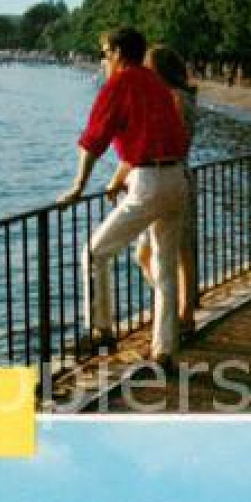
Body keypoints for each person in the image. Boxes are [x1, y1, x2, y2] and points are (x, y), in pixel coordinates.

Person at [59, 26, 191, 367]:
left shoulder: (120, 83)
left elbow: (94, 139)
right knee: (163, 269)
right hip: (177, 179)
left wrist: (78, 186)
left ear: (118, 52)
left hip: (148, 182)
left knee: (95, 251)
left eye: (105, 52)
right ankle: (164, 350)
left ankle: (101, 330)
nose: (104, 60)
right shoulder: (157, 84)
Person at [125, 44, 200, 337]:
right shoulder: (177, 97)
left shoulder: (176, 99)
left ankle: (184, 313)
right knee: (152, 252)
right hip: (173, 176)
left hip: (171, 174)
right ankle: (173, 306)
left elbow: (167, 140)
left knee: (179, 250)